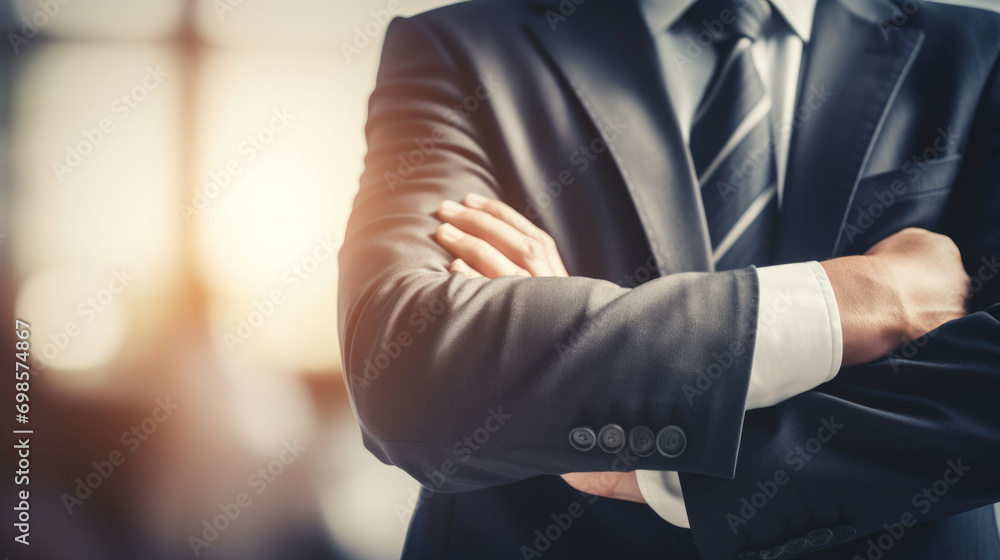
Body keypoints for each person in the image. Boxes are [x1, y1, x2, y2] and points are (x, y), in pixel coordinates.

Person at [337, 0, 1000, 557]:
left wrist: (655, 454)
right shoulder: (458, 47)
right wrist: (842, 302)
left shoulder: (981, 52)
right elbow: (403, 373)